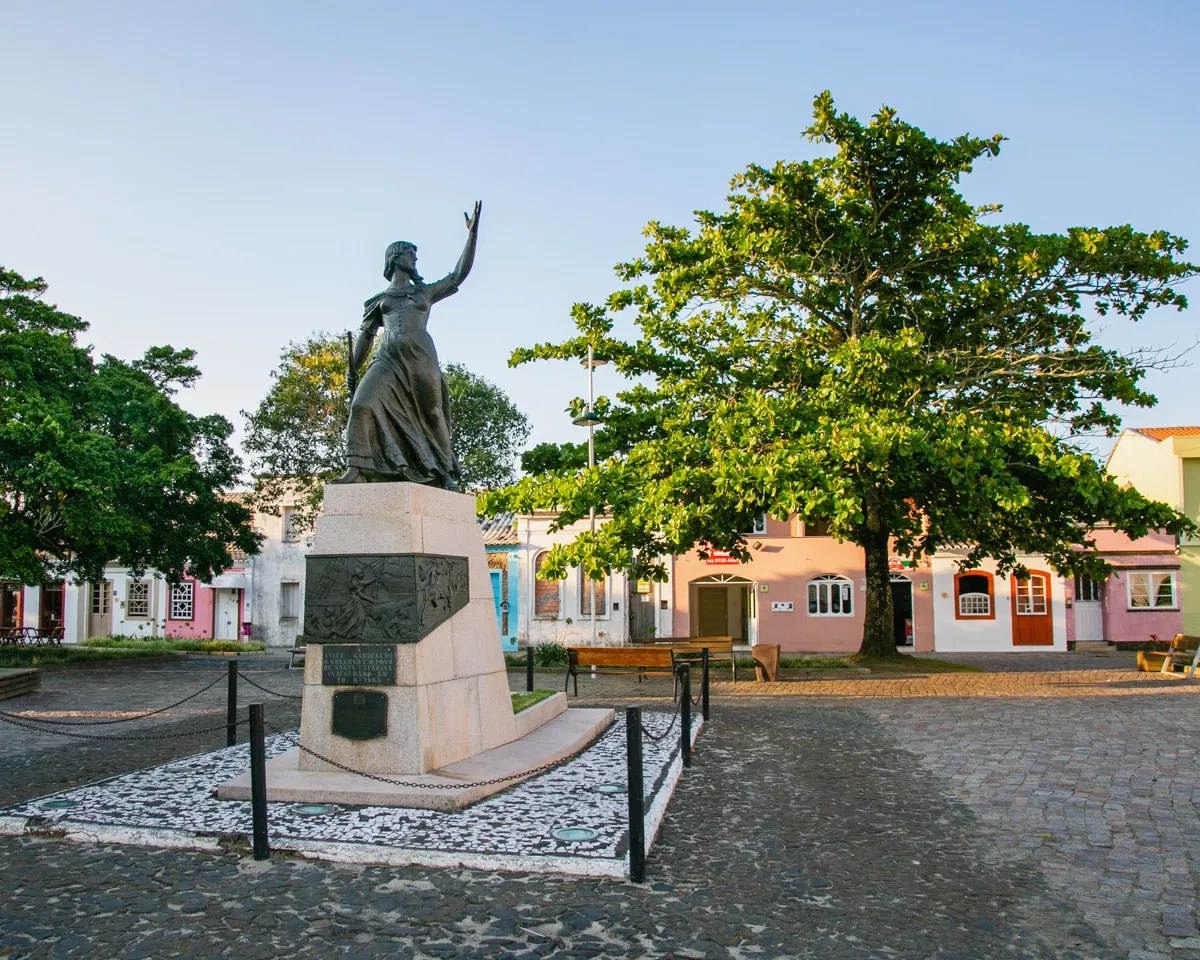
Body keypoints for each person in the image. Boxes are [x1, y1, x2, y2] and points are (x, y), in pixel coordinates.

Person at [332, 202, 482, 488]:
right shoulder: (377, 301)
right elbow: (366, 336)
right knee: (362, 404)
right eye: (410, 253)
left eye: (415, 255)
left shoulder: (424, 291)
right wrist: (353, 367)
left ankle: (445, 473)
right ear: (394, 258)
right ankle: (356, 467)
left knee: (433, 413)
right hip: (386, 358)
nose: (415, 258)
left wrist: (472, 235)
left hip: (420, 357)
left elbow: (458, 274)